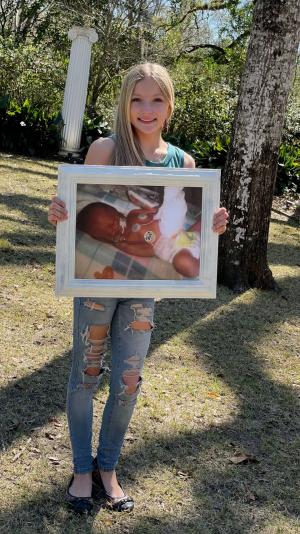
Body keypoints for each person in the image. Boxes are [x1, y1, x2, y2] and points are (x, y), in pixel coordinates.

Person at [48, 62, 228, 514]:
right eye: (136, 99)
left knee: (128, 381)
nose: (146, 109)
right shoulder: (105, 150)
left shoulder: (182, 163)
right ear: (125, 103)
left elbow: (187, 231)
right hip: (95, 286)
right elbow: (81, 205)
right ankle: (81, 471)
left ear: (169, 106)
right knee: (86, 376)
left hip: (142, 291)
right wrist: (61, 212)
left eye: (156, 100)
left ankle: (108, 468)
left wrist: (211, 227)